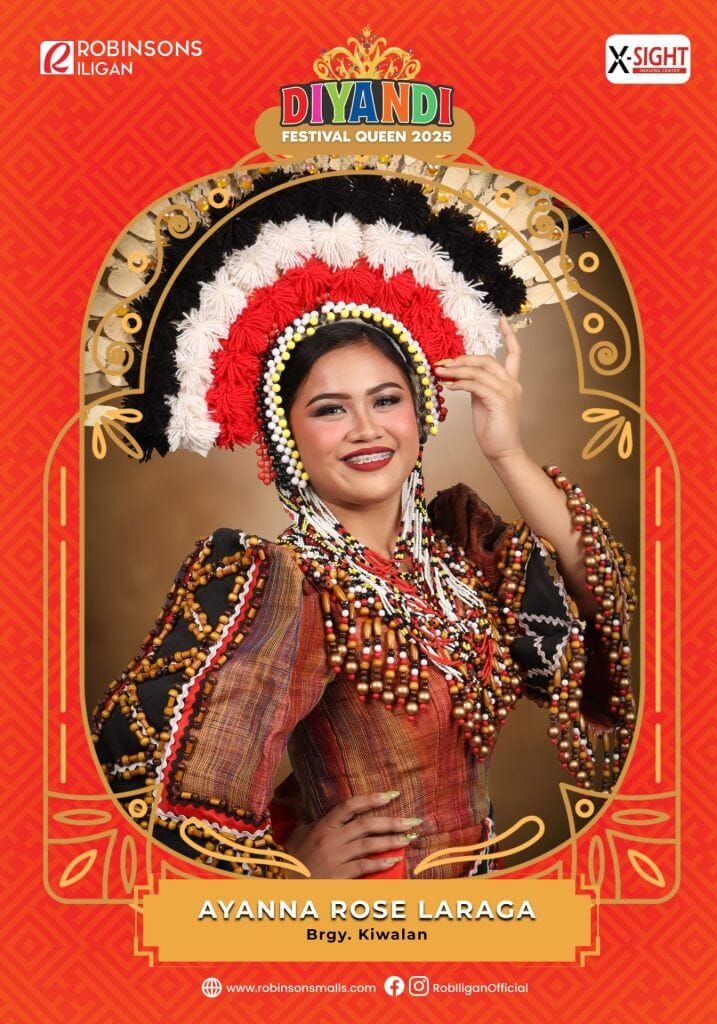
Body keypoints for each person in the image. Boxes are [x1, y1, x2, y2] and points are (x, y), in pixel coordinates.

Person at [90, 171, 636, 880]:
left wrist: (507, 451)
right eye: (329, 409)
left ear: (421, 411)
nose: (367, 430)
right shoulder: (282, 584)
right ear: (286, 436)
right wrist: (297, 870)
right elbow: (157, 793)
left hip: (478, 904)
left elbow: (606, 602)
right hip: (359, 918)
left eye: (386, 399)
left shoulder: (458, 551)